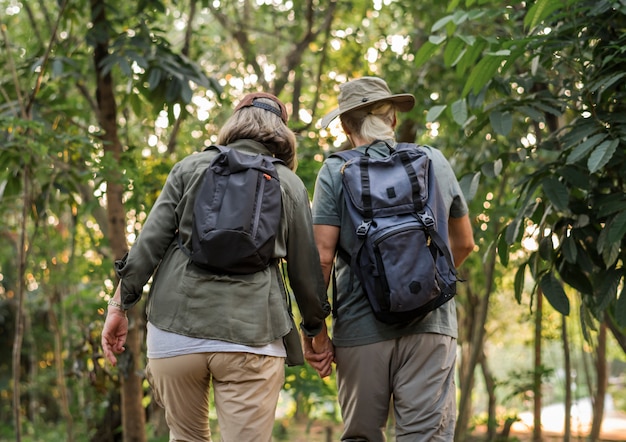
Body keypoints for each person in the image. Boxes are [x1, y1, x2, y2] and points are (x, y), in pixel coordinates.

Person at [101, 92, 333, 442]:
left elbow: (148, 245)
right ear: (282, 134)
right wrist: (315, 330)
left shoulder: (190, 168)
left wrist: (119, 306)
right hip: (253, 337)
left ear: (233, 124)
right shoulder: (289, 184)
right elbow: (305, 271)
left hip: (176, 332)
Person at [308, 77, 475, 441]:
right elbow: (464, 243)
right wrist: (421, 281)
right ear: (393, 121)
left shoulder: (334, 172)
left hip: (360, 330)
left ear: (345, 126)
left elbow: (321, 259)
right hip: (431, 328)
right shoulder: (433, 161)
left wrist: (316, 333)